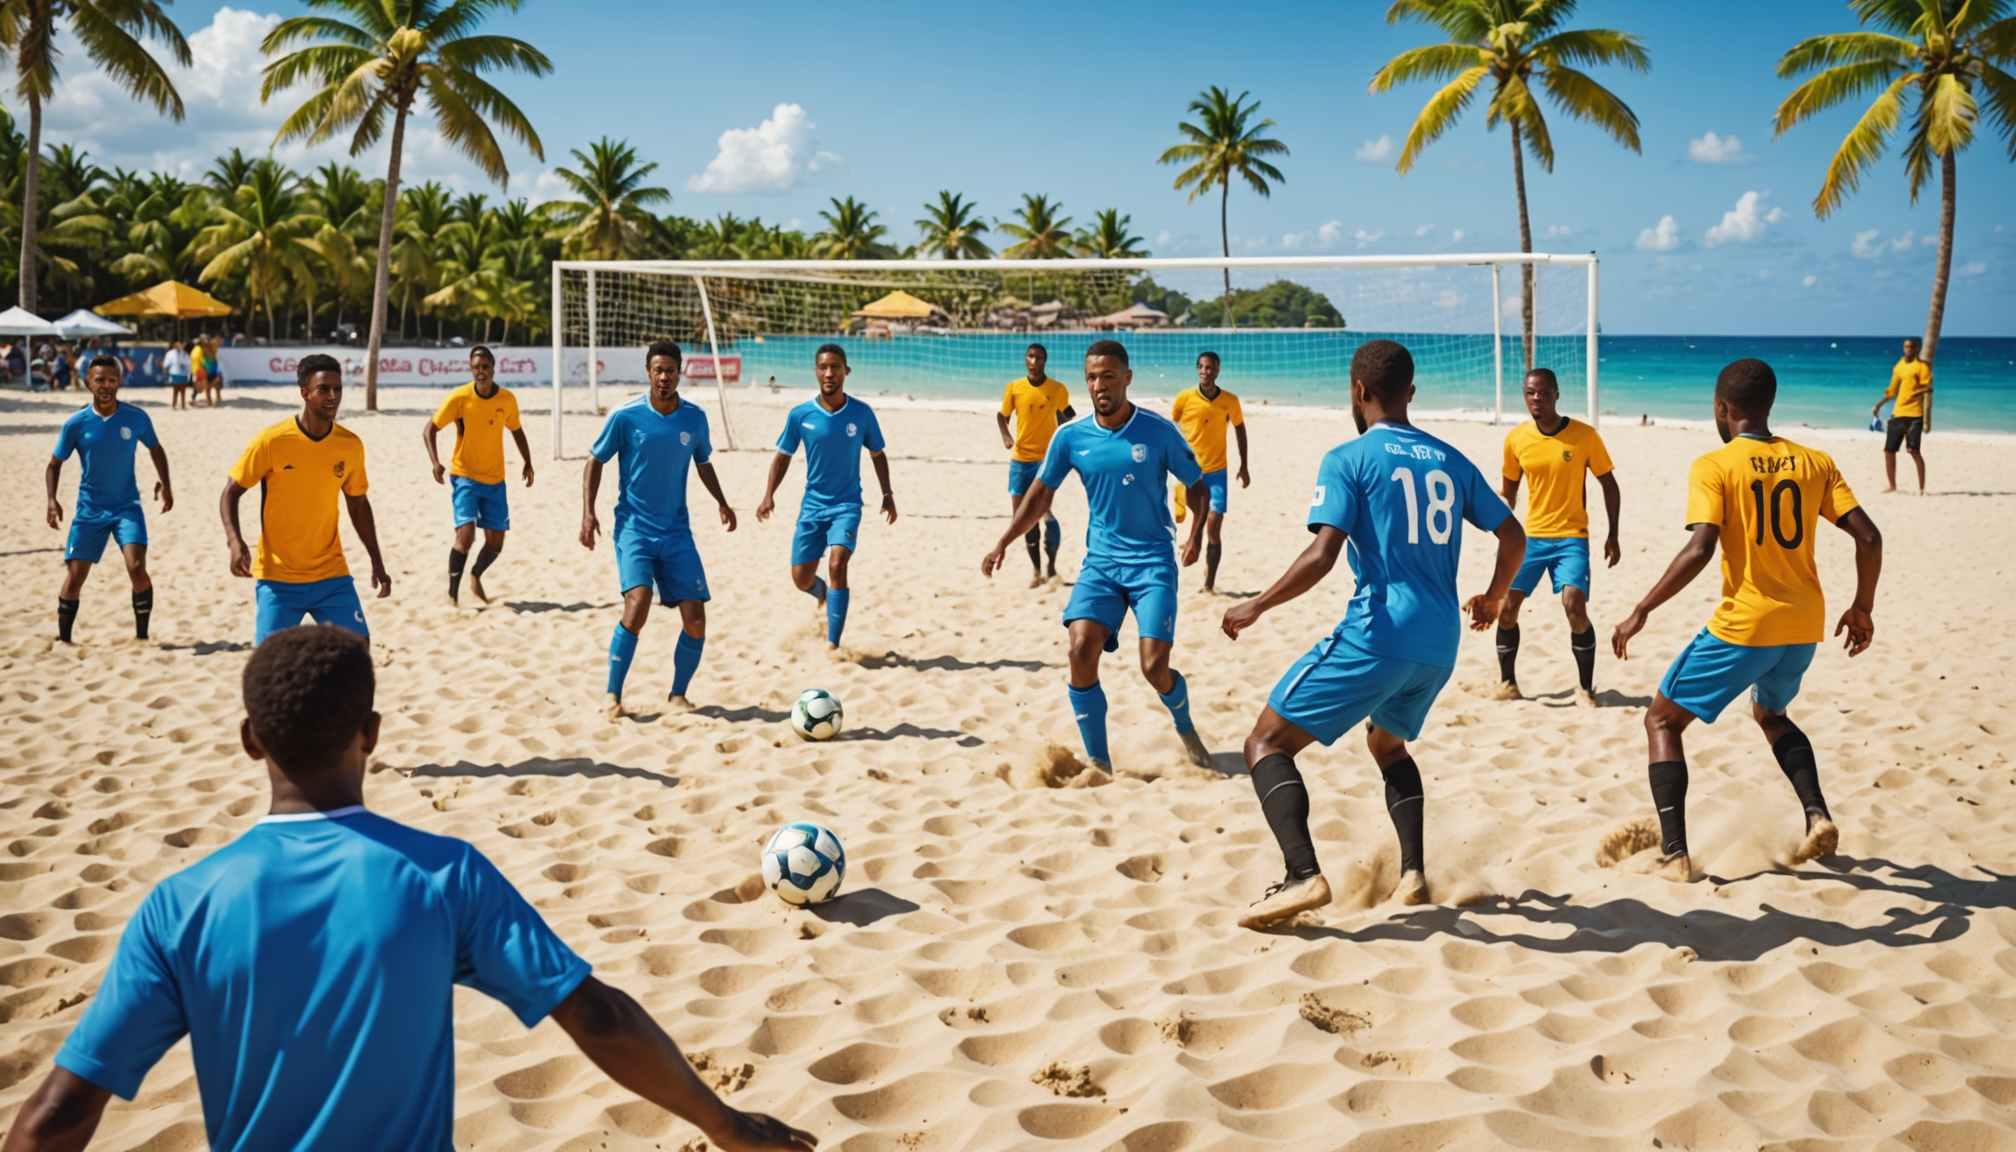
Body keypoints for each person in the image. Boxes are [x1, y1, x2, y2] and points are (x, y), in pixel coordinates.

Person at [0, 626, 817, 1152]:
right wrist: (725, 1123)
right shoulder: (443, 875)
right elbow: (595, 1014)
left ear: (251, 741)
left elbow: (56, 1119)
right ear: (373, 736)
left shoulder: (180, 907)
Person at [1221, 340, 1525, 929]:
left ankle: (1302, 875)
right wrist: (1493, 597)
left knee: (1265, 743)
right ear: (1410, 393)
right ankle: (1412, 874)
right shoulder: (1452, 459)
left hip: (1380, 633)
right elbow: (1514, 536)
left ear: (1358, 391)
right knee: (1386, 745)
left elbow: (1322, 555)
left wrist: (1256, 603)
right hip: (1440, 645)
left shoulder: (1349, 458)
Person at [1613, 359, 1882, 881]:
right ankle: (1817, 815)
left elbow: (1700, 549)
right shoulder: (1815, 461)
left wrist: (1640, 610)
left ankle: (1674, 853)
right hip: (1805, 625)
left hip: (1748, 624)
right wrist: (1863, 606)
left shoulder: (1715, 465)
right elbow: (1869, 538)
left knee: (1662, 720)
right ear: (1769, 406)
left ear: (1722, 408)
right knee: (1772, 715)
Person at [983, 339, 1213, 773]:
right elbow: (1039, 494)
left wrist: (1195, 535)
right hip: (1102, 565)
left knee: (1153, 667)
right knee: (1080, 650)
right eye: (1092, 377)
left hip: (1152, 563)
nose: (1100, 385)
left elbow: (1198, 489)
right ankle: (1099, 763)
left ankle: (1185, 727)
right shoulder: (1070, 436)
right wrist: (1004, 541)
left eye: (1109, 376)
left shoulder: (1158, 431)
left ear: (1126, 378)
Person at [581, 341, 738, 718]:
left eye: (670, 370)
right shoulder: (625, 415)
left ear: (680, 372)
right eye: (657, 370)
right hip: (634, 526)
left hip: (677, 533)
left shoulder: (694, 419)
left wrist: (722, 501)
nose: (664, 377)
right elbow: (595, 461)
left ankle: (677, 696)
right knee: (638, 604)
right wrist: (588, 513)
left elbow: (703, 462)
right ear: (648, 373)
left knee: (696, 620)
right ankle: (613, 697)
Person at [221, 353, 390, 643]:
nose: (333, 396)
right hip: (279, 579)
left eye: (337, 389)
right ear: (305, 393)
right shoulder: (271, 441)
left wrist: (377, 560)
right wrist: (235, 542)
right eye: (323, 389)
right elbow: (230, 493)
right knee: (270, 665)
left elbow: (358, 503)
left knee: (358, 647)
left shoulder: (350, 445)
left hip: (331, 574)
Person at [1494, 368, 1621, 707]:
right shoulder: (1517, 439)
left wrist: (1613, 534)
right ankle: (1508, 684)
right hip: (1531, 539)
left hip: (1571, 538)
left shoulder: (1584, 435)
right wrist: (1500, 519)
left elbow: (1609, 484)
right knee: (1507, 610)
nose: (1537, 398)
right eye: (1530, 393)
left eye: (1543, 393)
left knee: (1574, 607)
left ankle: (1585, 688)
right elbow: (1509, 493)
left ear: (1556, 394)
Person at [756, 344, 895, 652]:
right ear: (816, 371)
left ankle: (833, 644)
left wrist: (887, 494)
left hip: (847, 505)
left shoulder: (861, 413)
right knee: (800, 578)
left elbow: (877, 454)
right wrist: (768, 495)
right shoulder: (800, 415)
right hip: (812, 506)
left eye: (835, 367)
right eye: (823, 367)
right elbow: (783, 457)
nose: (829, 373)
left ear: (846, 371)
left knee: (837, 563)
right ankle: (820, 594)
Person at [45, 356, 173, 644]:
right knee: (75, 577)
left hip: (127, 508)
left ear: (119, 382)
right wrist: (52, 500)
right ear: (88, 382)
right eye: (99, 379)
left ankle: (142, 637)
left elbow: (156, 448)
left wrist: (166, 484)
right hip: (89, 511)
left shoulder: (136, 417)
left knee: (137, 568)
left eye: (111, 380)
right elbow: (54, 464)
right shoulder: (75, 424)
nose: (105, 385)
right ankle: (64, 640)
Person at [424, 346, 534, 604]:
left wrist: (528, 461)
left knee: (496, 543)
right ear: (471, 370)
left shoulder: (506, 399)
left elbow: (516, 429)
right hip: (465, 477)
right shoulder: (459, 398)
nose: (481, 372)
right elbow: (429, 429)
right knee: (466, 537)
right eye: (476, 367)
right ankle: (452, 595)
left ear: (493, 368)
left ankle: (476, 574)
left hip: (495, 480)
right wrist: (435, 463)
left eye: (485, 366)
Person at [1169, 350, 1249, 592]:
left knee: (1213, 523)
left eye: (1210, 367)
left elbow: (1240, 429)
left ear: (1217, 370)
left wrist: (1244, 465)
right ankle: (1192, 546)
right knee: (1194, 521)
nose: (1205, 372)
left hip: (1217, 472)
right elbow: (1172, 428)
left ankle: (1209, 584)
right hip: (1190, 473)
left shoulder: (1229, 401)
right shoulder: (1184, 398)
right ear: (1197, 369)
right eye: (1202, 367)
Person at [996, 342, 1075, 586]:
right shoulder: (1014, 388)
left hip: (1045, 461)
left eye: (1039, 357)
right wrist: (1006, 436)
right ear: (1025, 359)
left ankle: (1051, 568)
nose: (1034, 361)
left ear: (1044, 361)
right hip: (1020, 461)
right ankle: (1037, 572)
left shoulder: (1057, 389)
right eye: (1030, 356)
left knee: (1044, 512)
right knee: (1021, 517)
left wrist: (1064, 439)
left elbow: (1068, 416)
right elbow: (1002, 416)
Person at [1873, 336, 1931, 494]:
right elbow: (1892, 390)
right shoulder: (1899, 366)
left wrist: (1913, 394)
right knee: (1889, 450)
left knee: (1914, 451)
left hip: (1915, 414)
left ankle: (1921, 488)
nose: (1908, 349)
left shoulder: (1921, 367)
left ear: (1917, 349)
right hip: (1898, 413)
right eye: (1906, 346)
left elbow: (1927, 387)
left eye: (1911, 346)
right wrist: (1878, 405)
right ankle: (1892, 486)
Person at [162, 341, 191, 409]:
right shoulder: (170, 353)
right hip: (174, 374)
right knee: (176, 390)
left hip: (183, 374)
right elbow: (166, 363)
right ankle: (174, 404)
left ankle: (183, 404)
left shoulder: (184, 353)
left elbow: (189, 362)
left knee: (183, 390)